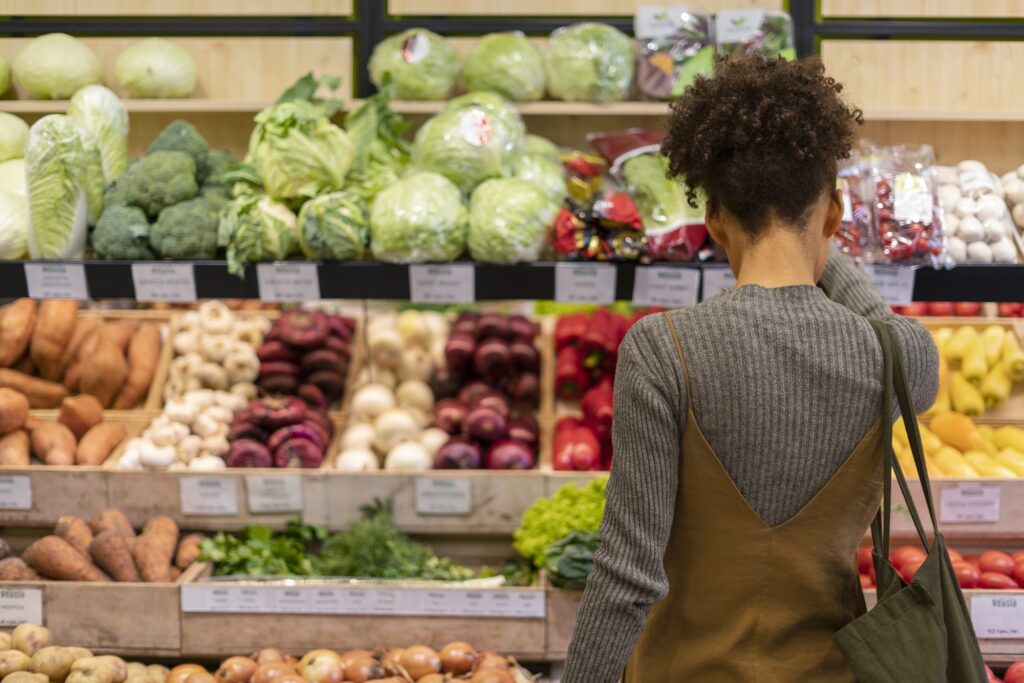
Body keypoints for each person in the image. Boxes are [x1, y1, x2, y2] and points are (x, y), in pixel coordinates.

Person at [560, 55, 939, 682]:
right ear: (836, 214)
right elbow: (880, 324)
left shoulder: (662, 349)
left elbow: (627, 577)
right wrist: (818, 237)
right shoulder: (901, 356)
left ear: (711, 220)